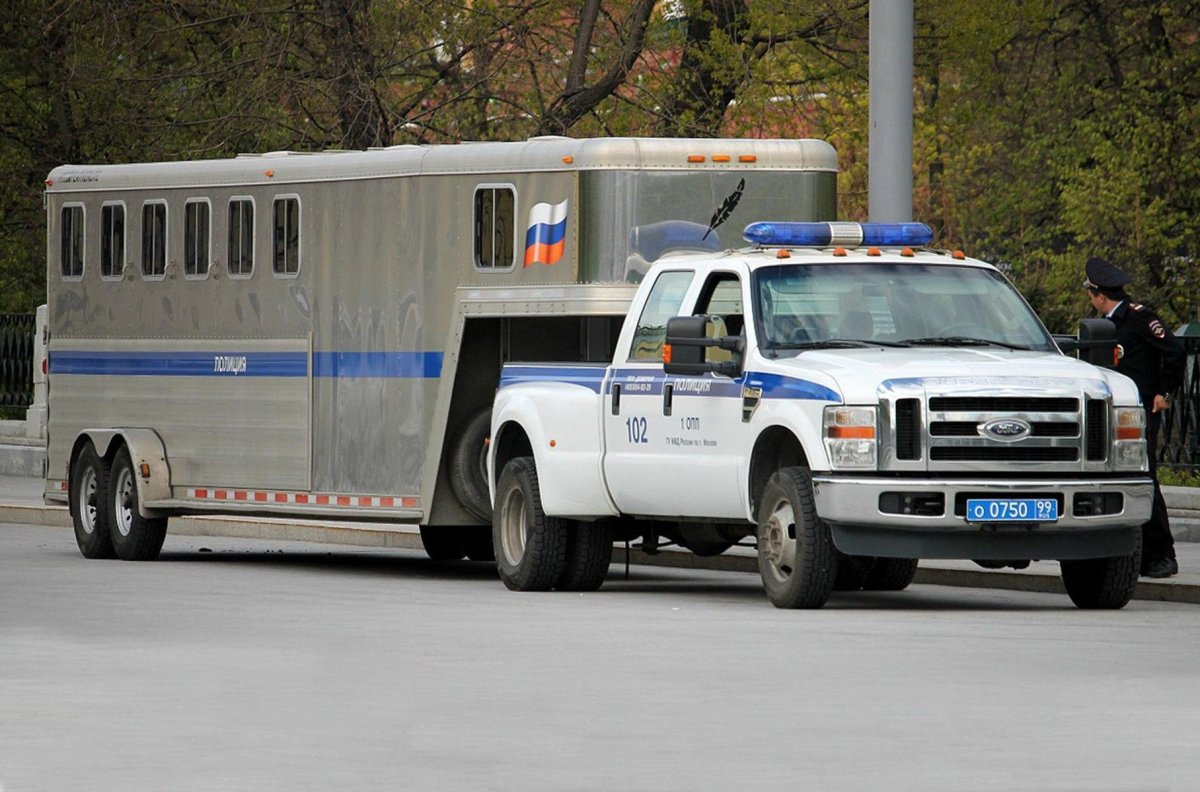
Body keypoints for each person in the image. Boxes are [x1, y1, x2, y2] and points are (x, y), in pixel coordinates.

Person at [1084, 256, 1186, 578]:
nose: (1091, 301)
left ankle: (1162, 555)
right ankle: (1137, 555)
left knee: (1146, 478)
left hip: (1141, 412)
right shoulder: (1105, 324)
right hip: (1115, 415)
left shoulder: (1139, 319)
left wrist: (1164, 393)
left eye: (1092, 296)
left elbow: (1175, 352)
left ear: (1101, 296)